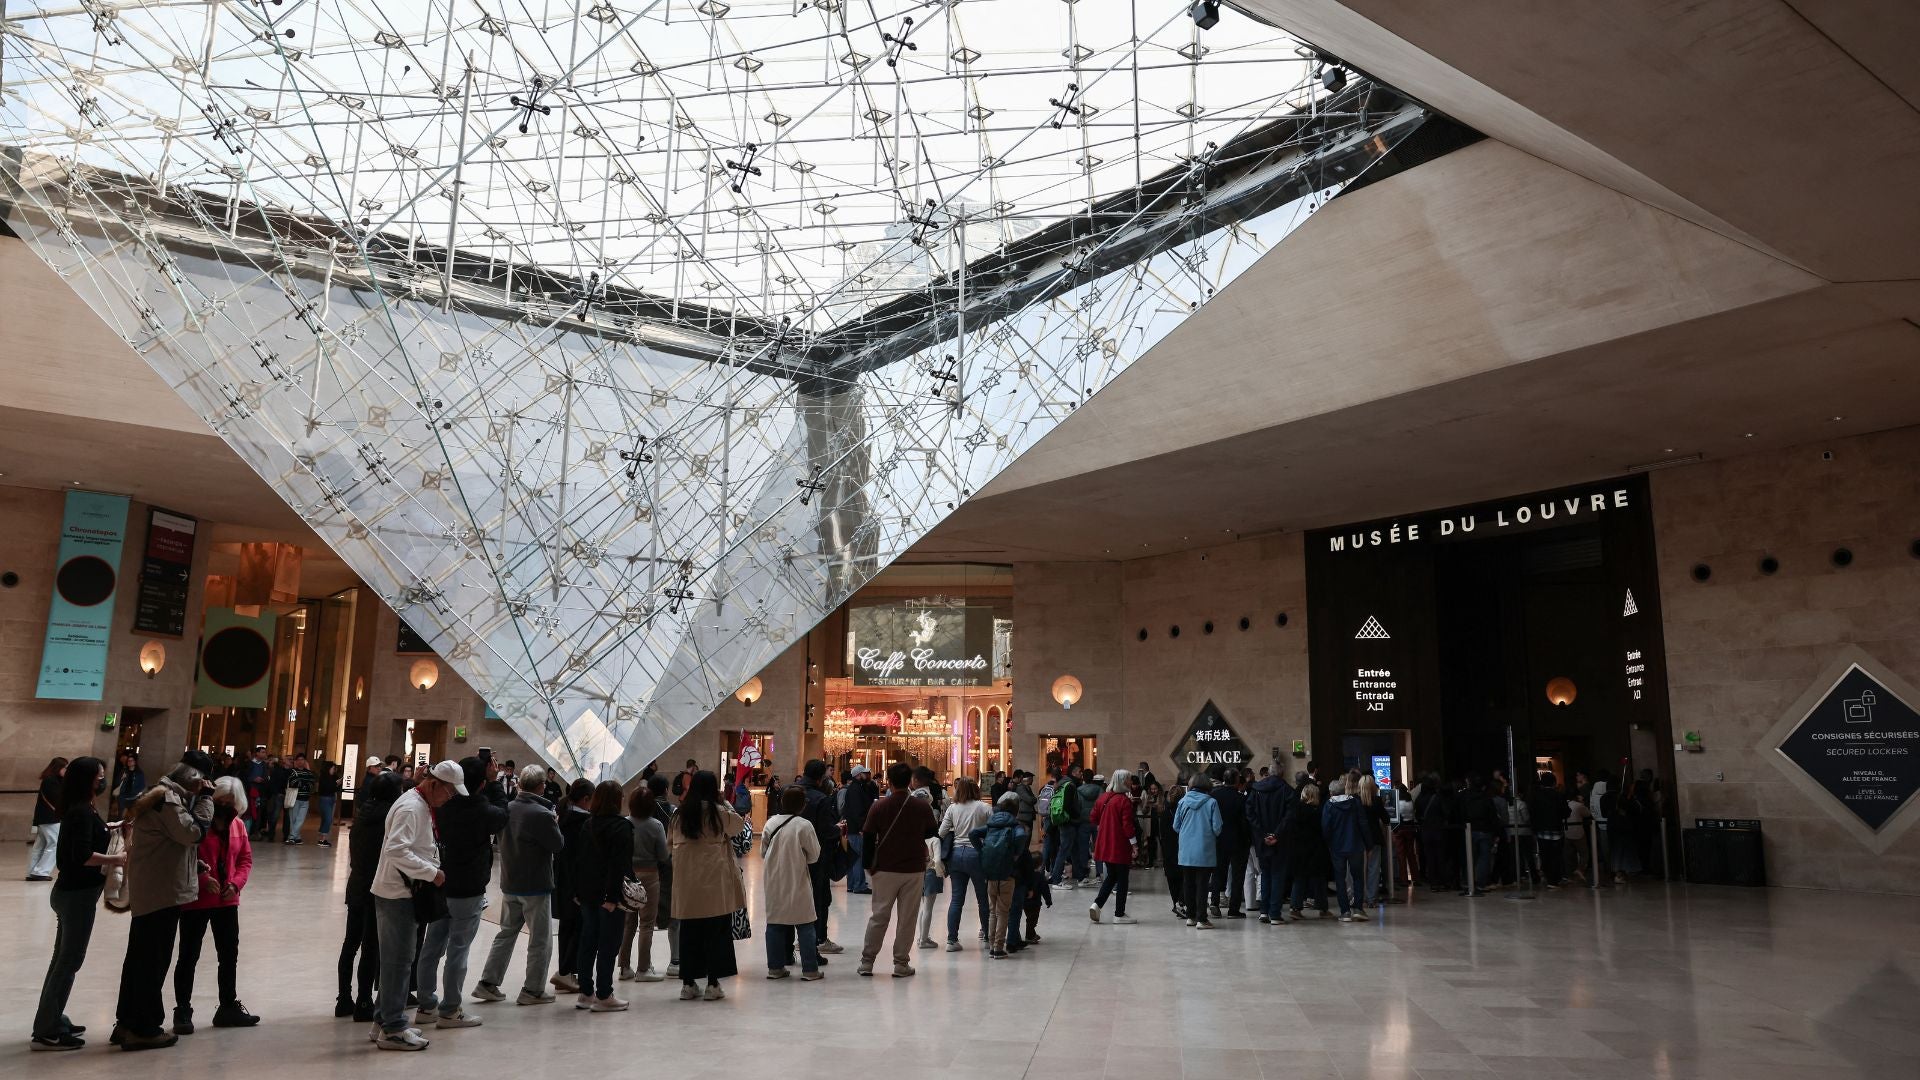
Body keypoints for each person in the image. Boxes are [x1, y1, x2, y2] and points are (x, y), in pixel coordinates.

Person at [116, 758, 214, 1050]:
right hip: (161, 894)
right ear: (194, 781)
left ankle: (126, 1022)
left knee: (139, 960)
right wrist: (206, 800)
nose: (203, 788)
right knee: (152, 962)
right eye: (201, 783)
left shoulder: (162, 796)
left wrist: (192, 864)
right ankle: (144, 1028)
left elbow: (169, 842)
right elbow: (192, 833)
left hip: (155, 888)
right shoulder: (167, 800)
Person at [369, 759, 461, 1051]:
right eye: (449, 792)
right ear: (434, 784)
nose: (450, 799)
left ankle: (384, 1020)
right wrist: (432, 873)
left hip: (400, 891)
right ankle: (394, 1028)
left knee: (396, 960)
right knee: (398, 961)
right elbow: (396, 849)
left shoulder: (418, 803)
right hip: (398, 893)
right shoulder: (412, 807)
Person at [31, 755, 120, 1051]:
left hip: (71, 893)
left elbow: (89, 834)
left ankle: (52, 1017)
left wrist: (114, 826)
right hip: (77, 896)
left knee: (62, 960)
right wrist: (117, 859)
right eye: (99, 776)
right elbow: (83, 856)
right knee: (68, 961)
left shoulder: (81, 808)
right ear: (88, 780)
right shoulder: (81, 810)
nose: (102, 780)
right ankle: (47, 1029)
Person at [414, 758, 507, 1029]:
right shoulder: (483, 810)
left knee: (432, 946)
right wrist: (494, 783)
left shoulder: (442, 804)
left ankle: (426, 1005)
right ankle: (451, 1009)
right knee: (459, 949)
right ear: (481, 783)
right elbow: (503, 813)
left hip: (440, 881)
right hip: (469, 887)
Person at [173, 776, 259, 1033]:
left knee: (229, 954)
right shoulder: (197, 823)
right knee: (189, 955)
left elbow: (245, 859)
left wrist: (235, 884)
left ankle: (227, 1006)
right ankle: (183, 1010)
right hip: (196, 900)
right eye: (220, 800)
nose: (224, 806)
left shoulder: (238, 826)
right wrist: (202, 878)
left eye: (230, 802)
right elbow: (184, 857)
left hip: (227, 899)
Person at [474, 764, 564, 1006]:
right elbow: (558, 845)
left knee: (506, 933)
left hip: (510, 881)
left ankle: (487, 983)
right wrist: (555, 822)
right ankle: (533, 990)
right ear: (541, 786)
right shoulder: (542, 814)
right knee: (540, 939)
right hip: (536, 884)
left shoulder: (508, 808)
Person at [668, 771, 748, 1001]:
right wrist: (724, 802)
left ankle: (688, 984)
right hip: (714, 884)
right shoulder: (718, 812)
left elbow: (669, 843)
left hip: (687, 886)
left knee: (689, 934)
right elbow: (738, 826)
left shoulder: (679, 814)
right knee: (716, 934)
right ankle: (713, 984)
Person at [858, 762, 939, 977]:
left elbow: (867, 836)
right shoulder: (922, 807)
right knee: (907, 917)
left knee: (879, 915)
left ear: (890, 782)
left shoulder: (879, 806)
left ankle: (867, 961)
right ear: (910, 781)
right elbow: (932, 832)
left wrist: (867, 865)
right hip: (913, 868)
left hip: (884, 868)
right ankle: (901, 963)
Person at [339, 771, 400, 1020]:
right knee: (371, 946)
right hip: (375, 887)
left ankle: (344, 999)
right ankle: (364, 1000)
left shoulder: (364, 812)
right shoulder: (389, 818)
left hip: (356, 883)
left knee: (350, 943)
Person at [572, 781, 635, 1012]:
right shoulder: (622, 827)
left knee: (588, 941)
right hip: (610, 896)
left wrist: (577, 892)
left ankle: (585, 992)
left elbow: (579, 861)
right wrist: (613, 897)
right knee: (608, 944)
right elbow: (620, 866)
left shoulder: (588, 824)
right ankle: (604, 993)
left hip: (587, 894)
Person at [762, 786, 824, 981]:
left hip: (773, 879)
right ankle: (810, 970)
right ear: (802, 805)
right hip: (797, 878)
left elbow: (763, 852)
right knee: (805, 924)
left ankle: (775, 968)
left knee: (774, 924)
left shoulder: (770, 823)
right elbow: (814, 856)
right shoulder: (804, 825)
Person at [793, 760, 845, 956]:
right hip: (817, 855)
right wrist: (837, 829)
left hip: (792, 853)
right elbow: (824, 830)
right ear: (820, 777)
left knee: (794, 898)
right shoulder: (820, 798)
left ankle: (794, 943)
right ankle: (818, 939)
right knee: (820, 898)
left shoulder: (790, 791)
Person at [618, 784, 669, 983]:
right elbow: (663, 855)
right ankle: (643, 968)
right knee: (647, 924)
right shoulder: (655, 825)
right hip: (649, 875)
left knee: (628, 923)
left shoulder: (624, 823)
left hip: (628, 876)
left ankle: (624, 967)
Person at [938, 777, 993, 951]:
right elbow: (993, 830)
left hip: (955, 855)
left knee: (956, 899)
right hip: (976, 854)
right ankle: (986, 936)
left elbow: (941, 832)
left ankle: (951, 940)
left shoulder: (953, 808)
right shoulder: (984, 807)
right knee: (983, 898)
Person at [550, 778, 593, 994]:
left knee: (567, 928)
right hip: (575, 885)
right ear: (586, 799)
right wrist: (578, 890)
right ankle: (567, 972)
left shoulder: (563, 816)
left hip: (561, 881)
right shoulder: (582, 822)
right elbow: (579, 859)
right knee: (578, 929)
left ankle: (566, 971)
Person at [974, 792, 1029, 957]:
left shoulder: (991, 824)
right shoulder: (1015, 826)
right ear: (1015, 812)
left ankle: (991, 945)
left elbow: (973, 834)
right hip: (1007, 872)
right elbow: (1021, 836)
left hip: (990, 871)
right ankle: (998, 948)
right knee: (1003, 911)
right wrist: (1017, 854)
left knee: (992, 910)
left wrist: (981, 850)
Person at [1173, 775, 1223, 929]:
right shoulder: (1212, 802)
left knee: (1188, 883)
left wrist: (1187, 834)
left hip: (1186, 849)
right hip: (1204, 849)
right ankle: (1202, 919)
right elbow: (1217, 828)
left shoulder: (1182, 801)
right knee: (1202, 884)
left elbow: (1176, 826)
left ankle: (1191, 916)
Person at [1088, 769, 1138, 924]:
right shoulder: (1124, 801)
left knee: (1111, 876)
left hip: (1104, 843)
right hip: (1119, 845)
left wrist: (1105, 826)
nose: (1131, 782)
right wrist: (1134, 844)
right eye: (1129, 780)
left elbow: (1093, 817)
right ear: (1123, 782)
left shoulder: (1103, 797)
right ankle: (1119, 914)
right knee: (1122, 878)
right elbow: (1127, 826)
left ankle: (1097, 904)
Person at [1246, 767, 1295, 924]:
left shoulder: (1256, 790)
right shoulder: (1287, 790)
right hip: (1281, 841)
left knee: (1265, 874)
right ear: (1281, 774)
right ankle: (1274, 913)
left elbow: (1250, 813)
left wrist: (1262, 834)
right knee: (1278, 876)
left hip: (1262, 841)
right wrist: (1277, 834)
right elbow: (1290, 815)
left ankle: (1264, 911)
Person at [1322, 777, 1370, 922]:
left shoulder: (1329, 806)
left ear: (1331, 792)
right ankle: (1358, 908)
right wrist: (1369, 844)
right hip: (1355, 845)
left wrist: (1328, 843)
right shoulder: (1355, 802)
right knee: (1358, 877)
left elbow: (1326, 828)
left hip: (1337, 847)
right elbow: (1363, 823)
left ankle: (1345, 912)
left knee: (1340, 879)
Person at [1209, 769, 1251, 919]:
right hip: (1238, 841)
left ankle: (1214, 902)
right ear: (1237, 781)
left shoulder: (1214, 796)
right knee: (1238, 876)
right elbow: (1245, 822)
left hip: (1219, 840)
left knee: (1218, 872)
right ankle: (1233, 909)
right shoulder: (1241, 799)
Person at [1288, 784, 1332, 919]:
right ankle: (1323, 908)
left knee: (1299, 879)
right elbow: (1324, 829)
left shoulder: (1295, 810)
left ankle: (1295, 907)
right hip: (1315, 848)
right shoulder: (1317, 811)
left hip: (1298, 849)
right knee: (1319, 880)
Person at [840, 764, 878, 895]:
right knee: (857, 858)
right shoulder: (856, 789)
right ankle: (859, 885)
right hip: (857, 829)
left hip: (854, 828)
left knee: (853, 857)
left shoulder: (856, 788)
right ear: (858, 775)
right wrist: (862, 827)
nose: (867, 775)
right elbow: (858, 811)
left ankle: (852, 884)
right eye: (864, 773)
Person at [1526, 772, 1568, 888]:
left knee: (1545, 854)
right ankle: (1554, 879)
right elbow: (1566, 812)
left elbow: (1531, 812)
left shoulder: (1535, 796)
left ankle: (1548, 876)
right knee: (1556, 855)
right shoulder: (1558, 795)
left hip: (1541, 831)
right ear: (1554, 783)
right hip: (1556, 830)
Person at [27, 758, 67, 881]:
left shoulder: (50, 780)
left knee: (40, 845)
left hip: (45, 818)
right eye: (64, 768)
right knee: (54, 843)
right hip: (50, 818)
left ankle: (33, 871)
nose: (66, 770)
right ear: (58, 768)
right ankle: (41, 872)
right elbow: (57, 799)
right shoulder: (51, 781)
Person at [113, 751, 147, 820]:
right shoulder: (124, 771)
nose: (130, 762)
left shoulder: (139, 773)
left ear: (135, 762)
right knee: (121, 816)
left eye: (131, 761)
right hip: (122, 797)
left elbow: (142, 785)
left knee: (130, 817)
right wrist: (122, 778)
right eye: (128, 761)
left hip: (133, 798)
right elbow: (116, 783)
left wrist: (139, 794)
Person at [315, 763, 342, 847]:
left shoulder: (334, 777)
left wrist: (337, 784)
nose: (334, 770)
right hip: (325, 799)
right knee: (328, 819)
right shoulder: (323, 777)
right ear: (328, 768)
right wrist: (336, 784)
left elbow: (335, 788)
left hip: (331, 798)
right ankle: (322, 839)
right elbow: (328, 788)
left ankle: (322, 838)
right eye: (333, 768)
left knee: (326, 818)